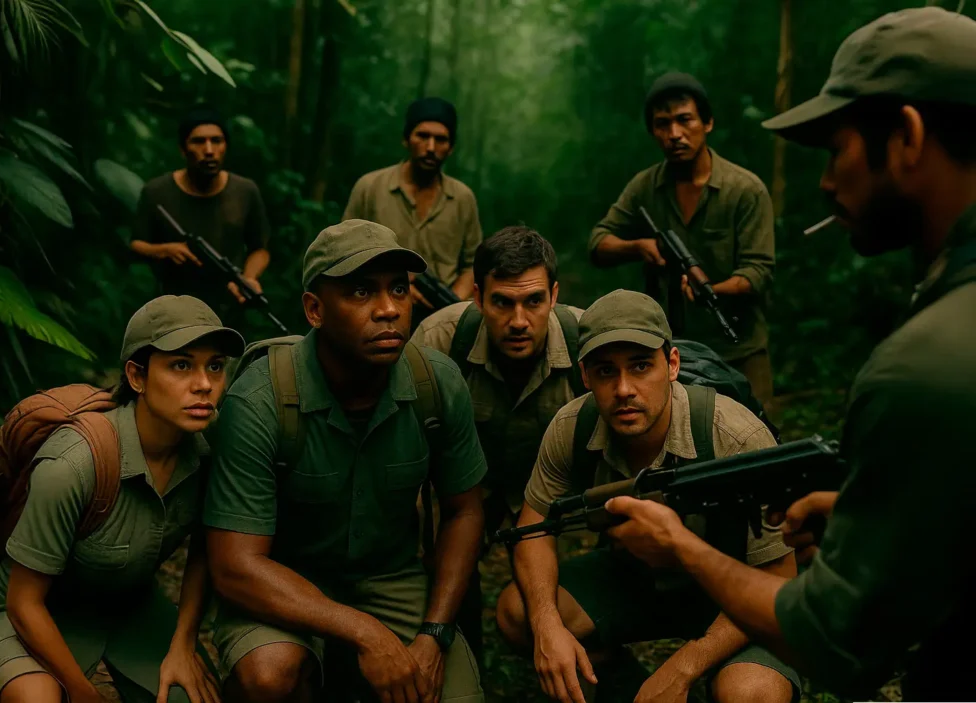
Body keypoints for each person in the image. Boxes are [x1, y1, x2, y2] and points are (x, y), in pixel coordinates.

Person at [596, 7, 976, 702]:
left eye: (836, 150)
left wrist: (682, 545)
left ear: (909, 138)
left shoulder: (923, 363)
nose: (827, 183)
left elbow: (836, 640)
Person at [202, 219, 487, 702]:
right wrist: (365, 632)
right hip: (285, 580)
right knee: (270, 676)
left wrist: (433, 634)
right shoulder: (261, 398)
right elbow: (235, 566)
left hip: (393, 578)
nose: (389, 310)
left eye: (399, 289)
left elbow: (465, 509)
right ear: (314, 309)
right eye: (360, 292)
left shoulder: (436, 383)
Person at [495, 290, 798, 703]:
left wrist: (682, 669)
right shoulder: (572, 427)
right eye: (605, 372)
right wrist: (547, 625)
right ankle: (622, 691)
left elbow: (778, 579)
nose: (623, 389)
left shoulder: (735, 436)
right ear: (585, 377)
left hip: (736, 588)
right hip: (640, 581)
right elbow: (533, 524)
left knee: (752, 695)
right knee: (519, 615)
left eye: (640, 366)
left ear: (672, 365)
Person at [0, 295, 246, 703]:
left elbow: (206, 546)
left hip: (127, 608)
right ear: (137, 376)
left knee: (191, 696)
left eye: (215, 366)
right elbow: (24, 603)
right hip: (32, 612)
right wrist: (82, 693)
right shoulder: (75, 462)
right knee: (36, 698)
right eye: (181, 365)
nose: (204, 384)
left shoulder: (209, 451)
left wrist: (182, 645)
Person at [410, 226, 584, 663]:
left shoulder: (589, 342)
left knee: (564, 591)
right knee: (441, 567)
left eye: (534, 301)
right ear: (477, 297)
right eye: (502, 302)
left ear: (555, 295)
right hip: (468, 484)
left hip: (553, 491)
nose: (519, 321)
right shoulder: (439, 340)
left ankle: (600, 664)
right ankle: (461, 662)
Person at [587, 73, 776, 412]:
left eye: (684, 120)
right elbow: (598, 243)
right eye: (663, 124)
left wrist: (713, 289)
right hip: (674, 355)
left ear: (707, 123)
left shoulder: (744, 190)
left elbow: (759, 272)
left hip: (739, 350)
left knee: (757, 447)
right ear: (653, 132)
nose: (674, 134)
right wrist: (638, 247)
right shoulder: (646, 187)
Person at [343, 97, 483, 322]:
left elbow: (473, 264)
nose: (430, 148)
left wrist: (451, 305)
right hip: (377, 310)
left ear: (451, 147)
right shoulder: (370, 188)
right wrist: (396, 284)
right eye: (422, 136)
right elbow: (345, 253)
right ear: (406, 139)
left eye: (440, 140)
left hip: (441, 315)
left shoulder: (462, 198)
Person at [130, 105, 272, 326]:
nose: (208, 150)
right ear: (182, 149)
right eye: (198, 141)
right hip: (170, 310)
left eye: (217, 141)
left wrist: (248, 278)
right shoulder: (157, 191)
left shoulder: (245, 191)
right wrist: (164, 250)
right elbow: (136, 243)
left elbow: (260, 248)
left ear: (226, 146)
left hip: (228, 312)